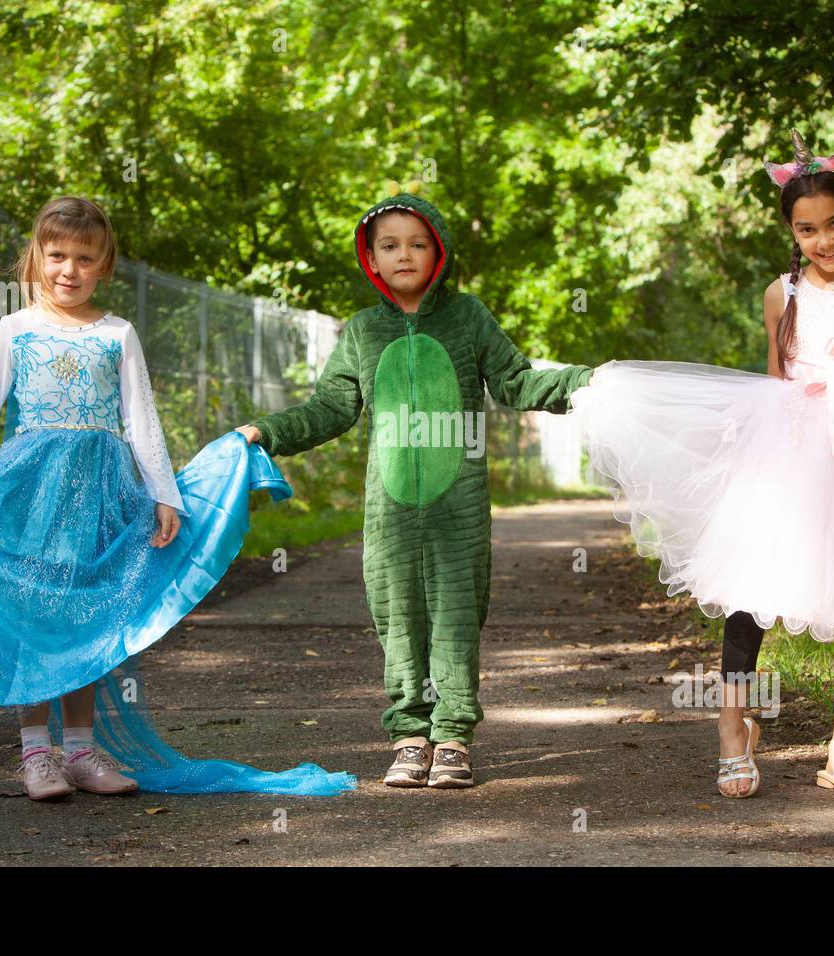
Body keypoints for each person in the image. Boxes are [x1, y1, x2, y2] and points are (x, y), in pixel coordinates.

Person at [0, 196, 355, 800]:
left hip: (101, 498)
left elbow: (141, 421)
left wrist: (165, 495)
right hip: (29, 494)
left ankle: (80, 750)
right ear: (36, 258)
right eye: (56, 255)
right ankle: (37, 756)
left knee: (86, 617)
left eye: (85, 259)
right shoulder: (17, 328)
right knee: (34, 616)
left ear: (104, 266)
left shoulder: (117, 333)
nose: (69, 270)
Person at [571, 130, 834, 799]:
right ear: (790, 233)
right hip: (791, 452)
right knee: (751, 592)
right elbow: (772, 386)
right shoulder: (781, 295)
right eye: (807, 230)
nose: (824, 241)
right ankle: (733, 729)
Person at [237, 188, 594, 788]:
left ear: (440, 252)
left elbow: (515, 381)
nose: (405, 255)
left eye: (418, 243)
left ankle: (452, 735)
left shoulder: (469, 317)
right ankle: (408, 734)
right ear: (371, 259)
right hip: (391, 513)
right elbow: (330, 409)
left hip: (460, 509)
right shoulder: (361, 333)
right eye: (389, 246)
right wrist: (265, 432)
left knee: (456, 614)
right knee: (397, 615)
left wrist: (584, 383)